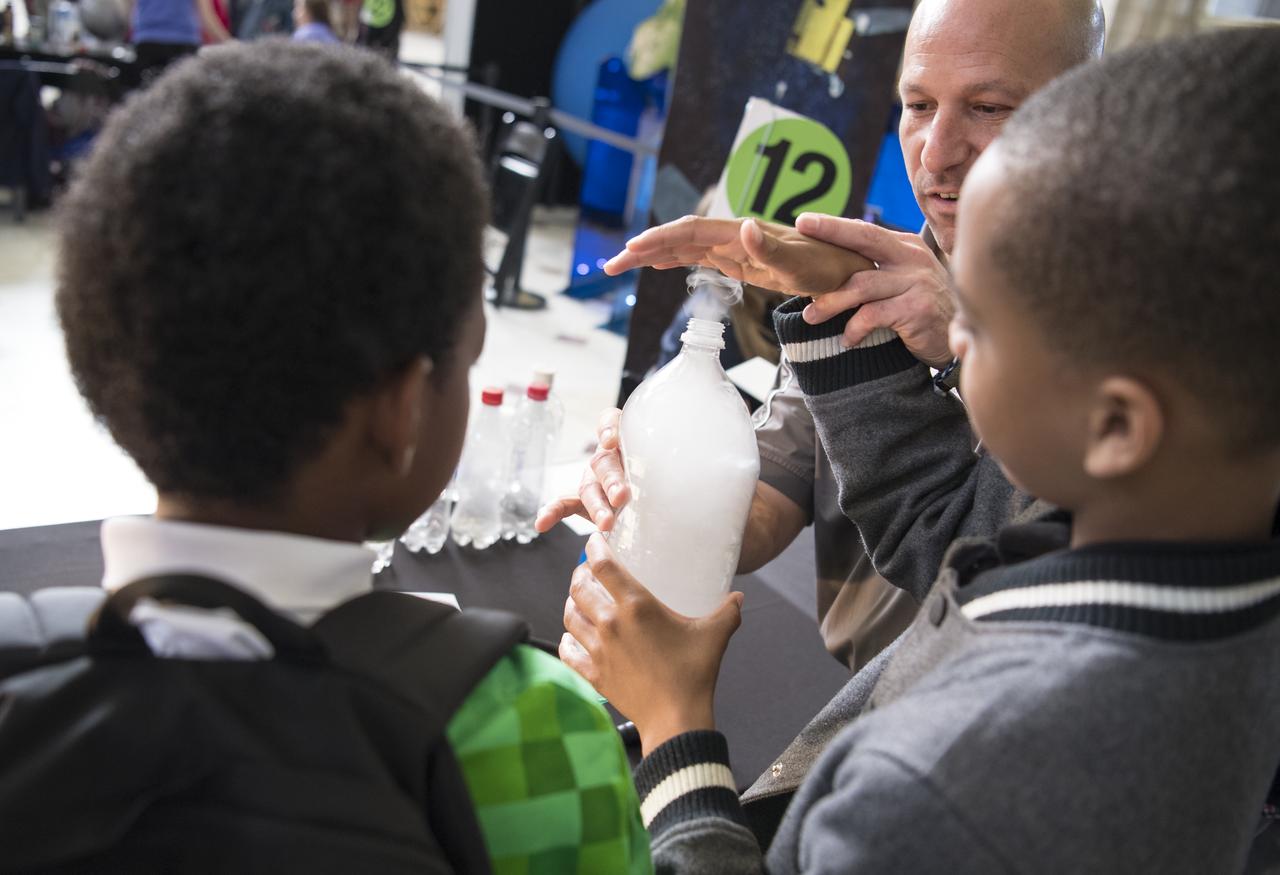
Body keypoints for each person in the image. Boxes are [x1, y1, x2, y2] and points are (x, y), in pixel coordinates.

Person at [563, 26, 1280, 873]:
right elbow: (944, 528)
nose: (937, 152)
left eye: (977, 322)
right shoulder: (1198, 566)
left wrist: (677, 728)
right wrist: (682, 478)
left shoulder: (933, 787)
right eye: (915, 105)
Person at [6, 42, 650, 873]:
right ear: (398, 408)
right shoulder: (532, 723)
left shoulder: (20, 684)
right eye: (465, 358)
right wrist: (677, 735)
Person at [547, 0, 1108, 679]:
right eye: (920, 104)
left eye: (989, 107)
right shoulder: (859, 291)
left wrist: (966, 341)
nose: (935, 152)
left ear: (1088, 115)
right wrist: (663, 482)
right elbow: (763, 507)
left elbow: (1068, 561)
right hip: (859, 700)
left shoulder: (1145, 334)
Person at [129, 0, 231, 84]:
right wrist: (230, 43)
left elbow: (131, 9)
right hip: (182, 42)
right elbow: (206, 15)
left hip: (147, 40)